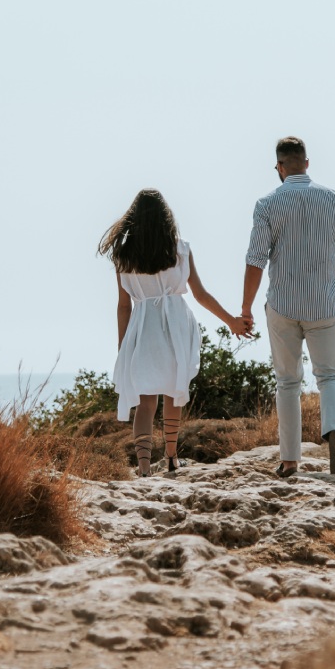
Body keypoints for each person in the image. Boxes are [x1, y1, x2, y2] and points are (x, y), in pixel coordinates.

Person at [101, 189, 251, 476]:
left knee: (145, 402)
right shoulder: (179, 248)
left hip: (142, 329)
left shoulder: (123, 254)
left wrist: (123, 348)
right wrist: (230, 320)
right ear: (165, 218)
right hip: (176, 326)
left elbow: (123, 306)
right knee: (174, 393)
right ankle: (171, 457)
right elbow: (201, 294)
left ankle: (144, 467)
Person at [240, 136, 335, 478]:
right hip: (324, 304)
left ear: (279, 167)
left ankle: (290, 461)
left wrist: (246, 308)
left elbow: (255, 261)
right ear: (306, 163)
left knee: (287, 382)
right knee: (330, 376)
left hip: (283, 305)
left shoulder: (266, 205)